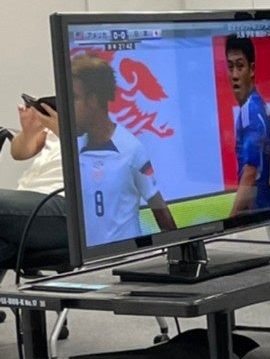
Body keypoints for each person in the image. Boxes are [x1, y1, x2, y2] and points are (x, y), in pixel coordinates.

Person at [71, 56, 177, 246]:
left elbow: (159, 207)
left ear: (93, 100)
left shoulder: (131, 149)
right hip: (89, 262)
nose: (68, 107)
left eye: (74, 98)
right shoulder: (74, 147)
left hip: (127, 258)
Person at [0, 97, 68, 273]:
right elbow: (19, 152)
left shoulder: (109, 122)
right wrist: (29, 131)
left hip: (67, 203)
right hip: (28, 196)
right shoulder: (66, 113)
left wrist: (66, 133)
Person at [224, 35, 270, 219]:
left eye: (240, 66)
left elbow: (250, 172)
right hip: (269, 211)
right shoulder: (258, 105)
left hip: (259, 215)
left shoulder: (250, 112)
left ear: (252, 69)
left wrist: (231, 220)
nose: (234, 75)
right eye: (230, 67)